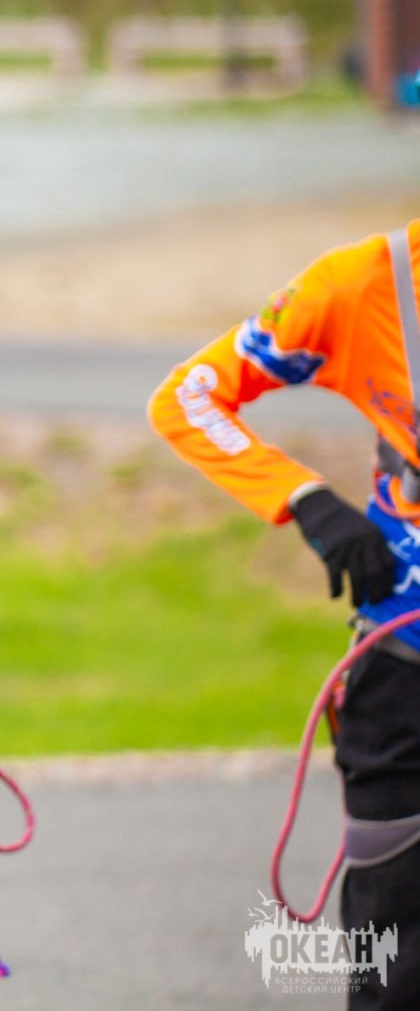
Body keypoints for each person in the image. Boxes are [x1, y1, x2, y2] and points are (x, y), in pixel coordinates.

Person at [149, 219, 420, 1011]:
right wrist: (304, 499)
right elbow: (188, 396)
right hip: (402, 675)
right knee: (395, 965)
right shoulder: (370, 283)